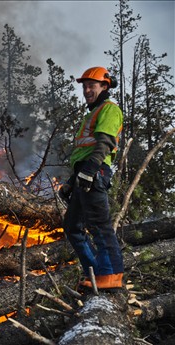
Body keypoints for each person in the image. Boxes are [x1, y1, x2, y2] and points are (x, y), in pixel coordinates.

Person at [59, 66, 124, 290]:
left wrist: (89, 172)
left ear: (104, 86)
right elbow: (84, 150)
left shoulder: (108, 109)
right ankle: (95, 273)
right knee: (73, 227)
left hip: (94, 172)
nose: (87, 89)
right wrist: (71, 181)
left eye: (91, 85)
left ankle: (112, 275)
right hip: (84, 173)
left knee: (99, 225)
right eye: (85, 86)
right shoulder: (93, 111)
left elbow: (104, 144)